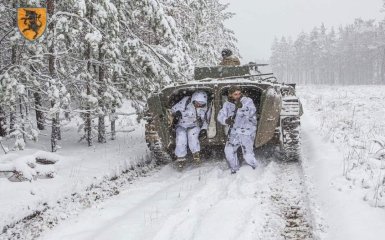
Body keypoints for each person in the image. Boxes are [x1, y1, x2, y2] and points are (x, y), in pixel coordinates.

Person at [217, 85, 258, 174]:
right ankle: (234, 170)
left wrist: (242, 107)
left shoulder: (247, 101)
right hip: (234, 132)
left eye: (239, 93)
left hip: (246, 131)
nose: (238, 96)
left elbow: (252, 112)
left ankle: (255, 168)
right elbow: (220, 116)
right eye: (235, 94)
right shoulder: (227, 104)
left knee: (248, 155)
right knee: (228, 152)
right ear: (230, 95)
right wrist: (226, 120)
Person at [171, 90, 210, 168]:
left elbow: (207, 120)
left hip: (194, 125)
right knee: (181, 138)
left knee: (193, 137)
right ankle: (181, 158)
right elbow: (173, 109)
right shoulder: (186, 101)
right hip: (181, 124)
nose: (199, 105)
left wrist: (204, 129)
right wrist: (176, 113)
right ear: (193, 100)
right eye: (197, 103)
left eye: (202, 104)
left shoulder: (206, 108)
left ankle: (196, 154)